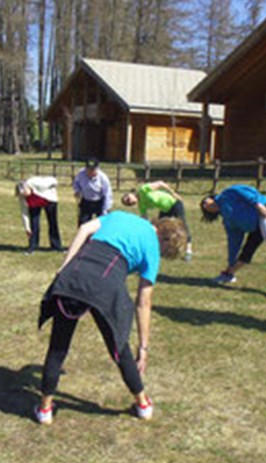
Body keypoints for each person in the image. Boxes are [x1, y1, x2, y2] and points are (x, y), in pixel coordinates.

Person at [34, 211, 187, 425]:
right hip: (106, 286)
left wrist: (64, 267)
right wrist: (143, 348)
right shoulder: (153, 249)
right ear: (165, 244)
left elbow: (85, 229)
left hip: (75, 273)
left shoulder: (120, 215)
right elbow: (144, 302)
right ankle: (143, 404)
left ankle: (44, 409)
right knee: (119, 346)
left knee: (58, 346)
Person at [200, 184, 266, 301]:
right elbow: (234, 241)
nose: (206, 204)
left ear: (212, 197)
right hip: (256, 227)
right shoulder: (228, 220)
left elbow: (247, 191)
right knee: (246, 253)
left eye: (206, 201)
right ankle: (229, 274)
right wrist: (231, 261)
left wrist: (258, 204)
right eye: (204, 206)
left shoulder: (227, 193)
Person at [121, 180, 193, 260]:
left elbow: (160, 184)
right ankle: (162, 250)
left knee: (183, 225)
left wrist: (173, 193)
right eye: (128, 204)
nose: (129, 202)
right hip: (165, 210)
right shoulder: (141, 205)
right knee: (159, 229)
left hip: (174, 203)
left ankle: (188, 251)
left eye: (128, 199)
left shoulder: (143, 190)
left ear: (131, 194)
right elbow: (144, 218)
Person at [15, 176, 63, 254]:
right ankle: (32, 247)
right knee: (34, 224)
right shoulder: (23, 198)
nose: (25, 195)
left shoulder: (36, 183)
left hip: (49, 200)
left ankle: (56, 246)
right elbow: (24, 214)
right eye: (23, 194)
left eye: (25, 192)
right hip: (34, 204)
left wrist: (53, 185)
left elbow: (54, 180)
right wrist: (27, 228)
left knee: (53, 223)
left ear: (27, 187)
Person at [73, 159, 112, 225]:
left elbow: (107, 194)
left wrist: (105, 209)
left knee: (102, 224)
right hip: (86, 201)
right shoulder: (81, 174)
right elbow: (76, 183)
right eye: (88, 169)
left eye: (92, 169)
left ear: (97, 169)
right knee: (83, 224)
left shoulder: (103, 177)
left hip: (99, 202)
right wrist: (77, 190)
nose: (90, 171)